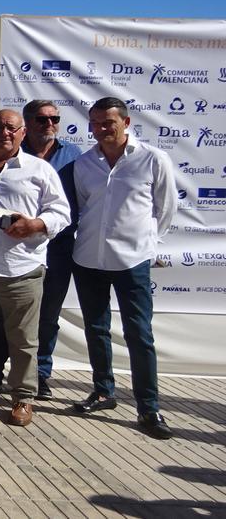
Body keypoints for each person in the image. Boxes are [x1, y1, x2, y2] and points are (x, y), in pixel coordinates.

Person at [0, 109, 70, 428]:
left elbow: (62, 213)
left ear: (22, 133)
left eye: (11, 128)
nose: (4, 133)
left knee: (23, 339)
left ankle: (23, 397)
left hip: (21, 270)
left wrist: (36, 224)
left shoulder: (40, 170)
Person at [69, 97, 176, 440]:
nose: (100, 129)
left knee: (139, 335)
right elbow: (85, 207)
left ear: (126, 123)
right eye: (95, 123)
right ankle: (103, 391)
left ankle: (149, 407)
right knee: (96, 328)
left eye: (108, 123)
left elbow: (167, 207)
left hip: (132, 261)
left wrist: (149, 244)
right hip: (88, 259)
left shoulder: (152, 159)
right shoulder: (85, 163)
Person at [0, 100, 83, 397]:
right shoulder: (12, 154)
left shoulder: (73, 155)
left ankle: (40, 375)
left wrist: (40, 224)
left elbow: (73, 205)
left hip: (58, 246)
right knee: (6, 315)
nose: (50, 125)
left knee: (48, 316)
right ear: (27, 127)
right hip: (14, 249)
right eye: (42, 120)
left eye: (54, 119)